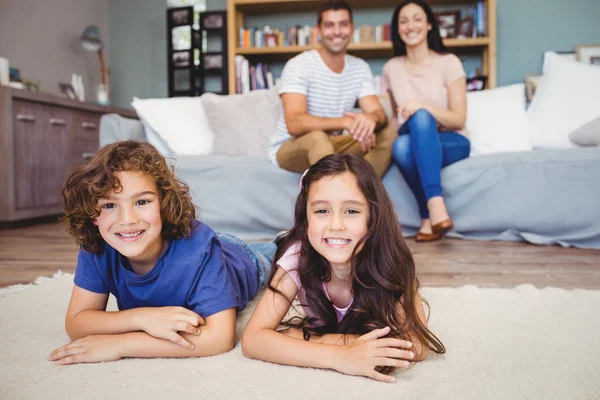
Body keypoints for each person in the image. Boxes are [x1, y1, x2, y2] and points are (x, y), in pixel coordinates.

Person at [48, 141, 276, 365]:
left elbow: (219, 338)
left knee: (283, 255)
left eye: (142, 201)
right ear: (92, 214)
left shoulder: (199, 248)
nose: (127, 220)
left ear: (164, 204)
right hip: (206, 246)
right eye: (109, 205)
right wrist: (142, 317)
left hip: (243, 258)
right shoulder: (98, 242)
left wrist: (120, 345)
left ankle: (278, 241)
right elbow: (77, 322)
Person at [242, 154, 445, 383]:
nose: (336, 225)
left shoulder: (391, 258)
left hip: (317, 244)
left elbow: (417, 345)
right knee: (258, 256)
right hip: (261, 253)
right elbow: (252, 340)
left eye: (351, 211)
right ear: (305, 217)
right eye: (321, 211)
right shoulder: (297, 257)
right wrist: (340, 356)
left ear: (373, 217)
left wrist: (314, 339)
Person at [268, 0, 397, 179]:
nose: (337, 32)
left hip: (333, 144)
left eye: (343, 24)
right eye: (329, 25)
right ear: (318, 30)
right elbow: (295, 123)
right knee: (317, 138)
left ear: (352, 28)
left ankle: (363, 192)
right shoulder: (299, 65)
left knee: (388, 135)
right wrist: (345, 122)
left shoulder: (359, 67)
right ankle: (334, 196)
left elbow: (379, 114)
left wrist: (370, 120)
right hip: (291, 147)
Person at [383, 0, 470, 242]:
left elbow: (459, 118)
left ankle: (429, 209)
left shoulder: (449, 62)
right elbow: (395, 118)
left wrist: (424, 108)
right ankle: (433, 212)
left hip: (452, 140)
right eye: (404, 21)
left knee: (419, 119)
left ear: (429, 24)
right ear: (397, 29)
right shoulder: (391, 69)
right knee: (399, 145)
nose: (411, 26)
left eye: (417, 19)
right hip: (412, 135)